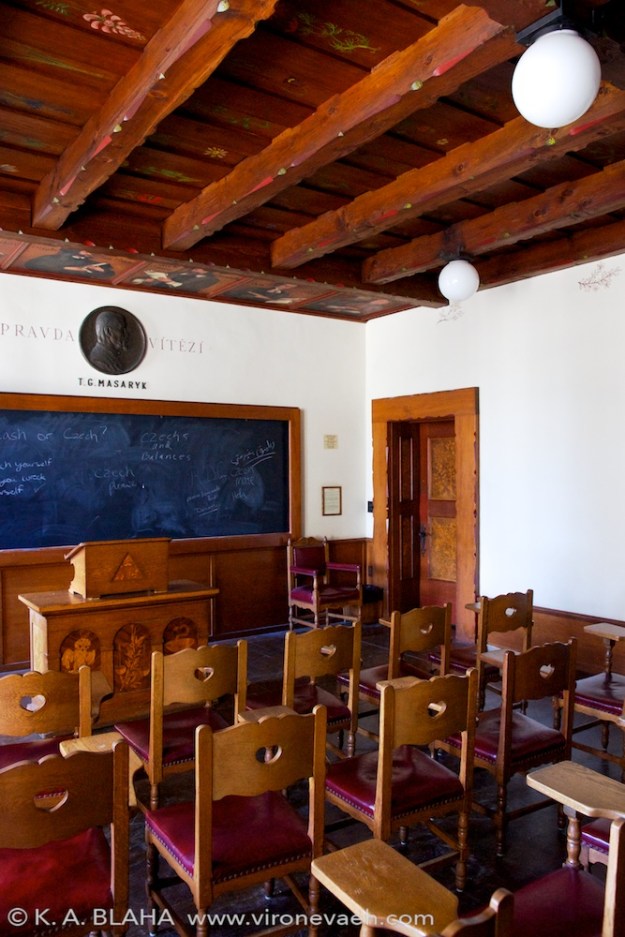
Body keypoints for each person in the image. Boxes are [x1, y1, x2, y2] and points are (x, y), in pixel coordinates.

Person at [88, 307, 130, 374]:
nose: (125, 335)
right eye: (121, 329)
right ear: (108, 332)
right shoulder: (98, 360)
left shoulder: (112, 357)